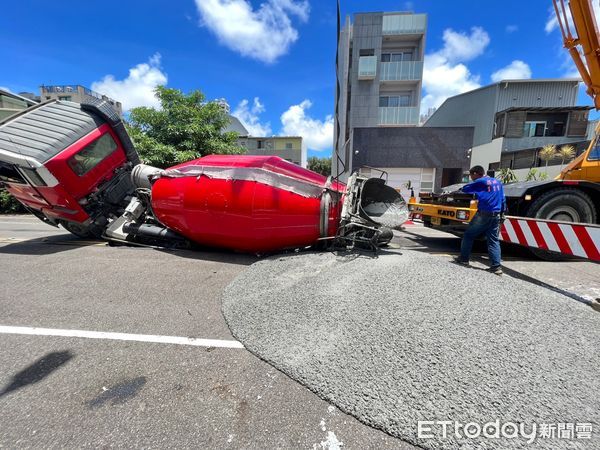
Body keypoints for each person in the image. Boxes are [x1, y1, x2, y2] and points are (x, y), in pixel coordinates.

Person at [454, 166, 506, 275]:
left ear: (476, 173)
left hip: (484, 214)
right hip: (496, 215)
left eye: (471, 175)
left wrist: (460, 189)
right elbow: (503, 199)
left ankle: (463, 259)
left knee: (468, 235)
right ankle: (496, 267)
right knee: (493, 240)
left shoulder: (480, 181)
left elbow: (466, 189)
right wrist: (502, 213)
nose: (472, 178)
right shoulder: (497, 182)